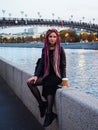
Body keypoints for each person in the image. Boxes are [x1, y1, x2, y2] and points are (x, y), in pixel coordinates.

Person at [27, 29, 66, 127]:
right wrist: (35, 76)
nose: (52, 39)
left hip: (57, 75)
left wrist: (64, 80)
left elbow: (63, 65)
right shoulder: (45, 49)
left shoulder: (60, 49)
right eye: (50, 37)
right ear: (47, 38)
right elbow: (41, 64)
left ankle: (49, 113)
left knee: (48, 83)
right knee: (30, 83)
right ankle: (41, 104)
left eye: (54, 37)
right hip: (47, 74)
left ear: (57, 38)